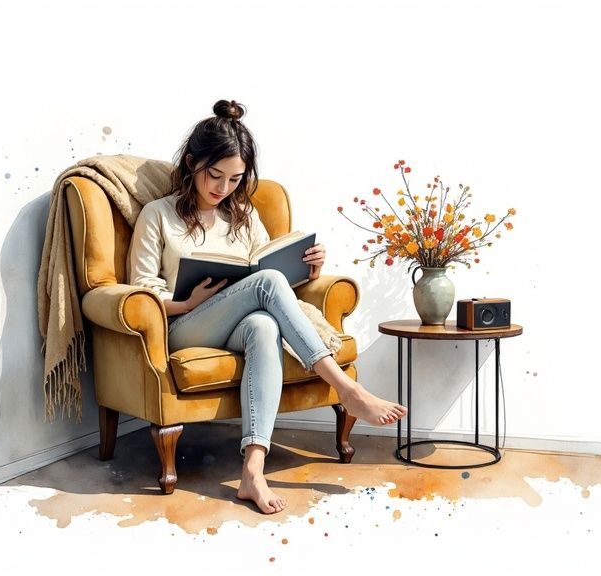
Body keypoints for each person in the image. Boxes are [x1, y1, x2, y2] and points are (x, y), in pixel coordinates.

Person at [127, 99, 407, 514]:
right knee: (268, 286)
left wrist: (309, 270)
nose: (223, 188)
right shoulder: (159, 215)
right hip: (185, 323)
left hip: (240, 321)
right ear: (191, 163)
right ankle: (347, 389)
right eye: (214, 175)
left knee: (264, 325)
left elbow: (266, 274)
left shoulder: (242, 214)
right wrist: (187, 301)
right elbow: (140, 289)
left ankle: (253, 471)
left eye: (235, 179)